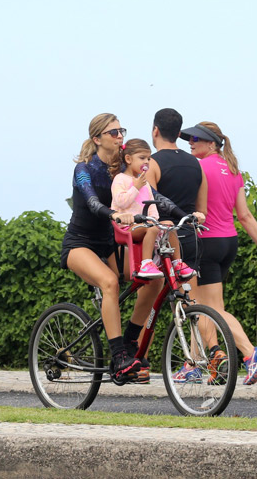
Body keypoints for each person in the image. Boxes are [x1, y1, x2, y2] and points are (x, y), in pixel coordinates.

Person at [176, 121, 257, 385]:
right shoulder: (233, 169)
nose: (191, 142)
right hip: (228, 242)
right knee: (202, 304)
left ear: (213, 143)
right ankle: (195, 364)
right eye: (189, 138)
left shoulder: (198, 167)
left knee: (206, 306)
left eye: (197, 138)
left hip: (205, 242)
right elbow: (245, 216)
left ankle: (251, 353)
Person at [61, 113, 166, 381]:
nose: (120, 136)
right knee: (109, 282)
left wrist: (183, 212)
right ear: (97, 139)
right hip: (79, 244)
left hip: (111, 243)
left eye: (121, 131)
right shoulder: (84, 169)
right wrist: (113, 214)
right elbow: (92, 201)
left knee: (153, 279)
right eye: (113, 132)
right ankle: (118, 355)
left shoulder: (122, 171)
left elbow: (152, 194)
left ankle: (130, 343)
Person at [135, 108, 209, 383]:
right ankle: (196, 361)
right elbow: (201, 209)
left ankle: (138, 360)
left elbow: (150, 207)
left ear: (155, 130)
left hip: (163, 239)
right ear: (179, 133)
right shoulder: (196, 164)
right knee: (192, 303)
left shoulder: (151, 164)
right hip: (190, 236)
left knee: (147, 301)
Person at [110, 138, 195, 280]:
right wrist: (135, 187)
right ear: (128, 159)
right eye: (142, 158)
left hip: (145, 225)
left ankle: (177, 263)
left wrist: (156, 221)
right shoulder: (120, 179)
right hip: (126, 227)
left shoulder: (145, 184)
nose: (146, 162)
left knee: (169, 225)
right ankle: (146, 263)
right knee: (153, 229)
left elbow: (151, 205)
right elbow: (121, 201)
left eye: (148, 158)